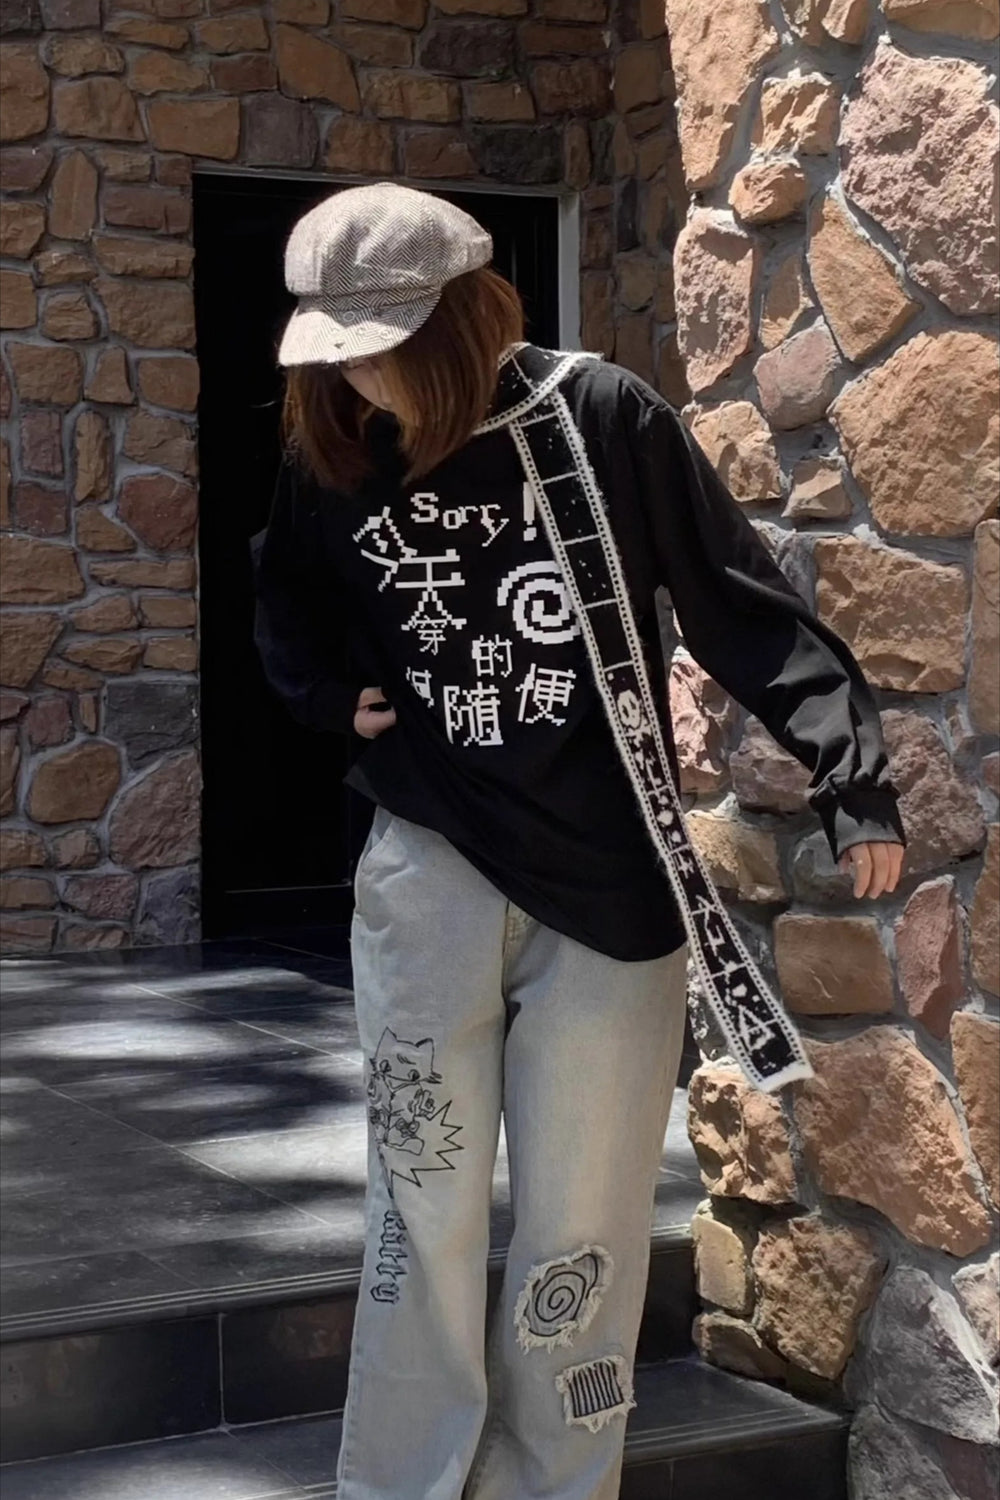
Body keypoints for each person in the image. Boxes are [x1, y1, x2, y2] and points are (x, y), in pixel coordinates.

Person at [252, 182, 906, 1500]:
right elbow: (288, 589)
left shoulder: (598, 416)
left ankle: (557, 1485)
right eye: (338, 349)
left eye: (379, 346)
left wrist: (850, 770)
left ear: (457, 322)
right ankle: (403, 1484)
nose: (356, 375)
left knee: (584, 1231)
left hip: (610, 894)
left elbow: (733, 595)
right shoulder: (335, 439)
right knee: (420, 1209)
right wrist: (332, 697)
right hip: (428, 871)